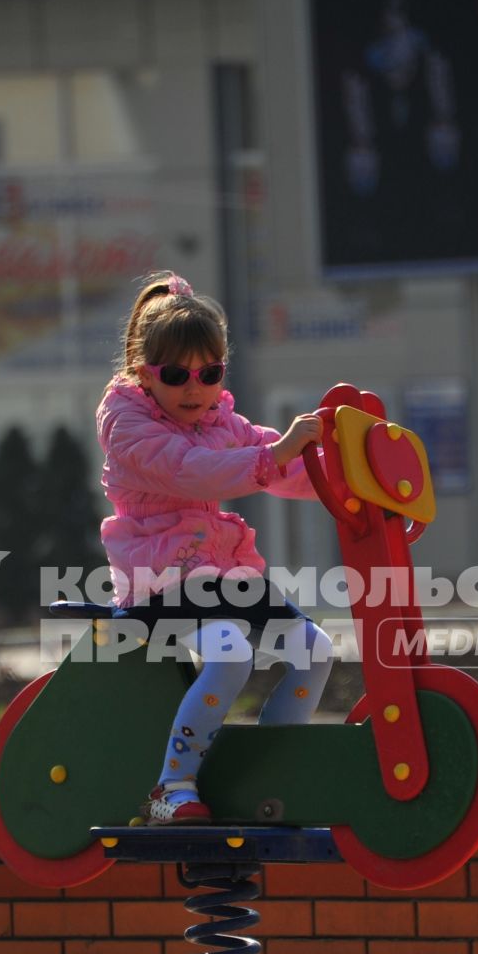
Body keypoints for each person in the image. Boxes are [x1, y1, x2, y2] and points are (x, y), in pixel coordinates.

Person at [97, 272, 333, 825]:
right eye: (177, 374)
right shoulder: (127, 424)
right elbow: (193, 472)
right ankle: (171, 785)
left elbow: (280, 466)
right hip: (160, 578)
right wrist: (277, 454)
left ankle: (269, 767)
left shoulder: (220, 419)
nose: (195, 388)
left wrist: (341, 473)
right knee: (230, 651)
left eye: (210, 373)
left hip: (221, 570)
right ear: (143, 372)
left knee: (315, 649)